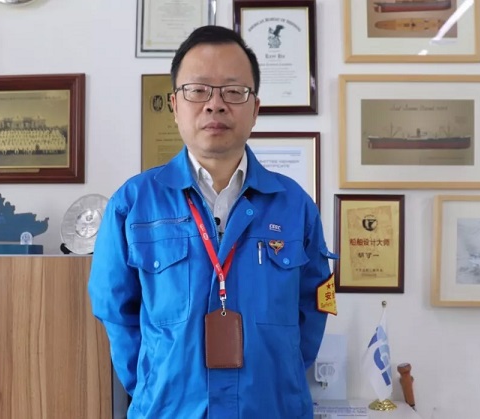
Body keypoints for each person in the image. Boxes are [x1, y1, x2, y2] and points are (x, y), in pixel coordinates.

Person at [88, 25, 338, 419]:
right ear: (175, 105)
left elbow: (315, 306)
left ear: (255, 109)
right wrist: (154, 385)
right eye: (198, 90)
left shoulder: (295, 206)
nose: (215, 105)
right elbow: (114, 309)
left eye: (233, 91)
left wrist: (282, 377)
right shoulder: (133, 204)